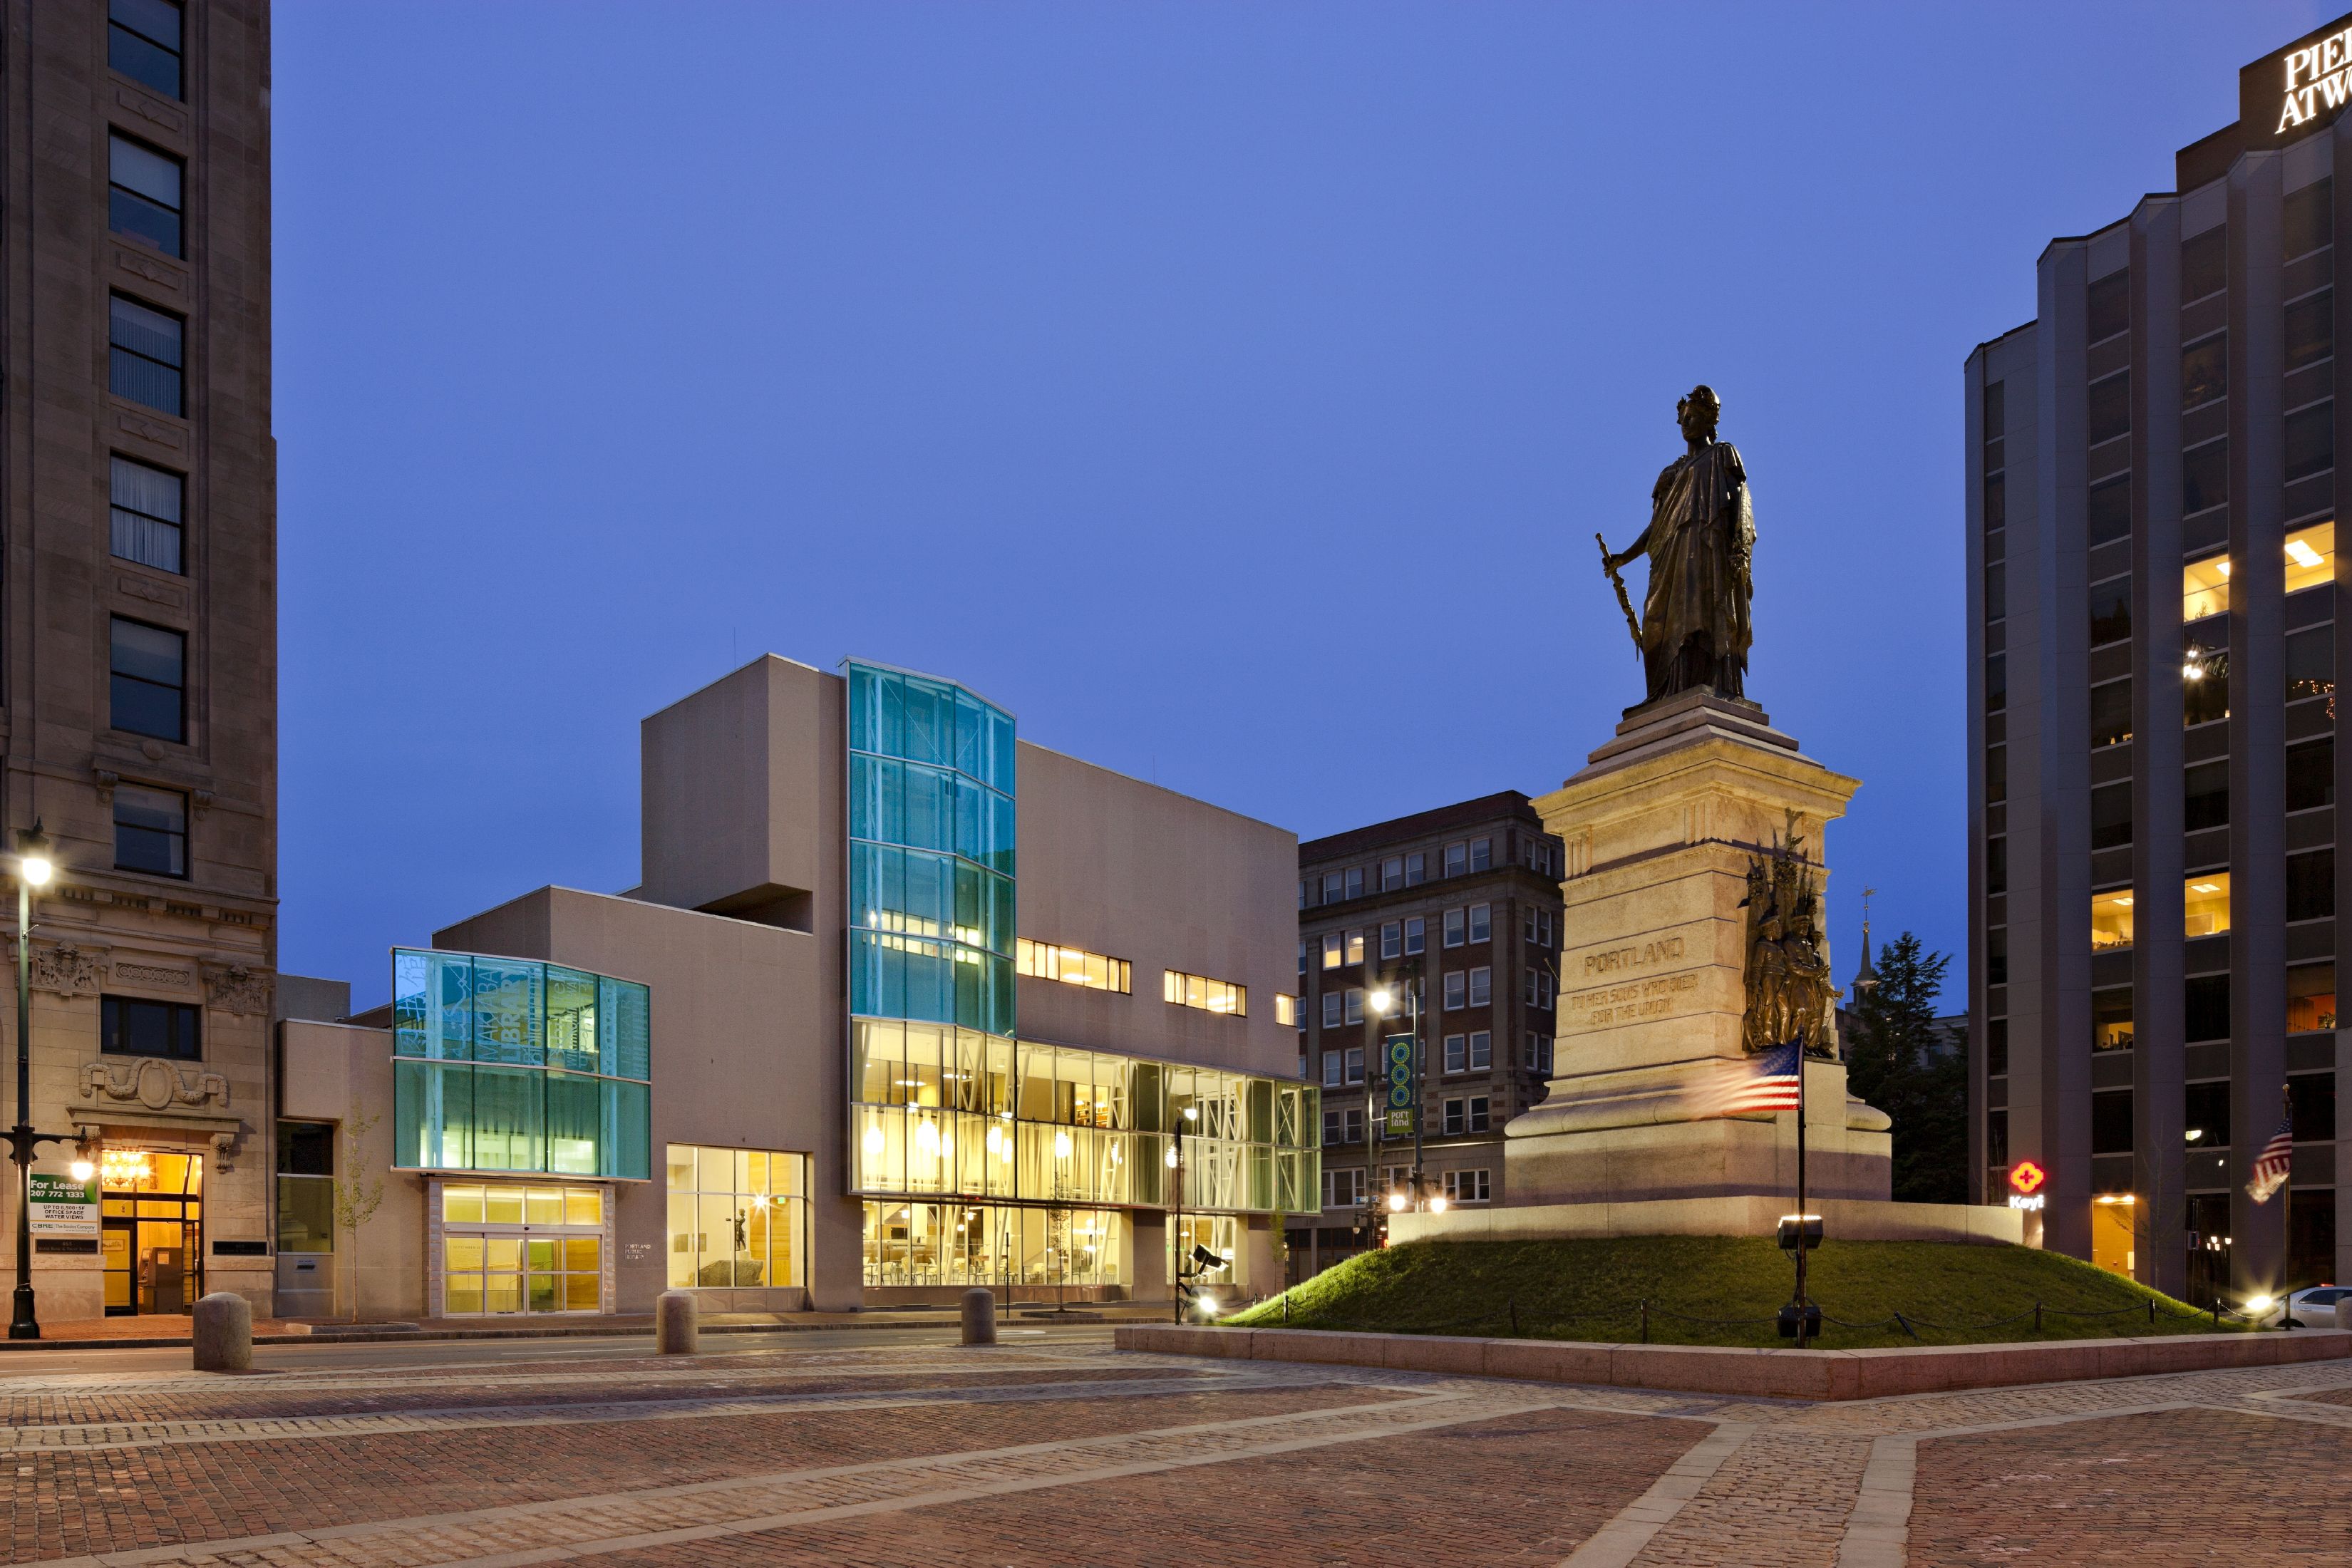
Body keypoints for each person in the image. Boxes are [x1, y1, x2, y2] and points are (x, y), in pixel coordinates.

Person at [1601, 386, 1755, 705]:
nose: (1687, 422)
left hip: (1708, 547)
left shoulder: (1722, 454)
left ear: (1710, 420)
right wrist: (1623, 558)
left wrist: (1739, 547)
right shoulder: (1670, 475)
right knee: (1656, 618)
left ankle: (1711, 682)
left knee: (1705, 612)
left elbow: (1741, 501)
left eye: (1695, 416)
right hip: (1670, 557)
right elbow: (1656, 528)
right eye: (1684, 417)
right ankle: (1666, 691)